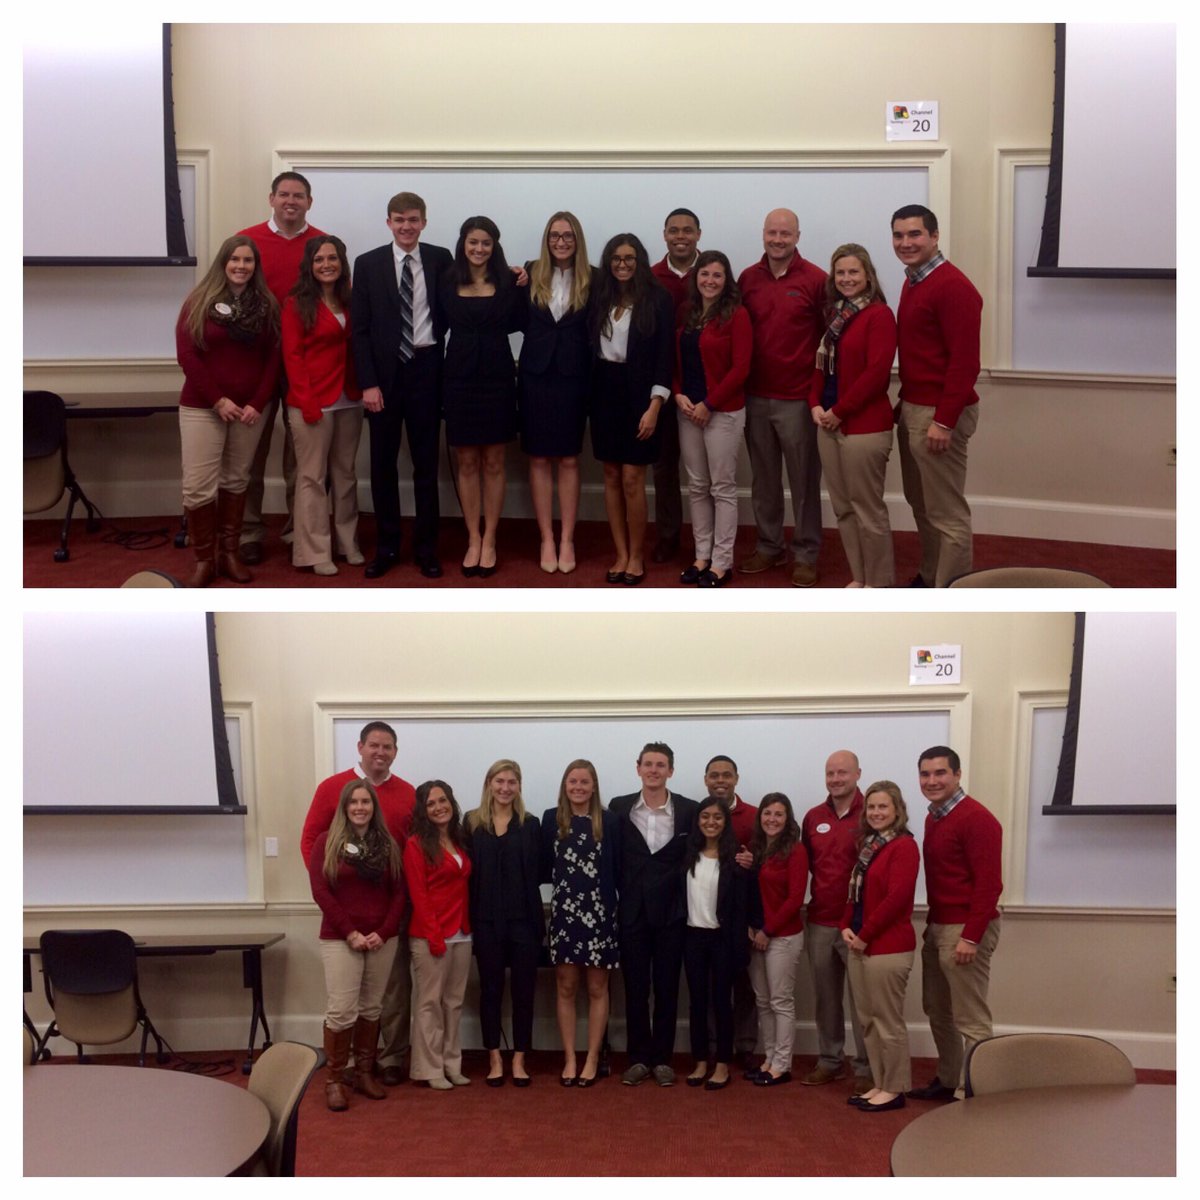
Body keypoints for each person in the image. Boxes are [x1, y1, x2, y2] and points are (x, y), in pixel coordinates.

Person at [299, 721, 417, 1088]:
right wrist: (338, 892)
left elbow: (409, 860)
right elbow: (310, 844)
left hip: (389, 919)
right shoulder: (332, 789)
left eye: (388, 747)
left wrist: (387, 924)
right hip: (342, 921)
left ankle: (388, 1059)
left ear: (395, 751)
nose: (380, 752)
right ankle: (343, 1069)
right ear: (360, 747)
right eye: (374, 745)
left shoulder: (408, 794)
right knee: (344, 1003)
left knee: (389, 995)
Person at [350, 191, 452, 580]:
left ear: (424, 222)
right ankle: (388, 546)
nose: (406, 226)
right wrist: (368, 383)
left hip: (427, 370)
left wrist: (515, 274)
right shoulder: (369, 263)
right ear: (388, 222)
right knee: (382, 466)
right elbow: (359, 331)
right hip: (384, 377)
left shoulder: (442, 259)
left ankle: (427, 549)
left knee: (426, 466)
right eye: (399, 219)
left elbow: (472, 288)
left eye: (413, 219)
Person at [174, 235, 280, 587]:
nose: (241, 266)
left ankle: (229, 554)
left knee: (237, 481)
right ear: (223, 263)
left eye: (248, 261)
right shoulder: (199, 301)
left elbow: (273, 360)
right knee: (198, 488)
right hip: (204, 407)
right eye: (234, 259)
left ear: (255, 267)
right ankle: (205, 560)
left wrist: (257, 404)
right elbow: (188, 355)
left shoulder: (266, 305)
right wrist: (218, 400)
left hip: (249, 411)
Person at [891, 205, 983, 587]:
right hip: (915, 407)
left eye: (915, 234)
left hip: (939, 414)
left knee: (946, 513)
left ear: (935, 236)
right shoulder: (913, 280)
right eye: (899, 235)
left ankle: (953, 590)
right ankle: (930, 577)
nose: (906, 242)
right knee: (923, 506)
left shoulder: (954, 287)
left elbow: (965, 363)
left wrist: (943, 421)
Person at [238, 171, 326, 564]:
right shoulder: (247, 241)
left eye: (299, 196)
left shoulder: (321, 244)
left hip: (303, 365)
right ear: (271, 198)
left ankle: (297, 530)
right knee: (249, 452)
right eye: (284, 195)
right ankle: (248, 532)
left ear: (310, 201)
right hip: (255, 362)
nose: (291, 201)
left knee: (301, 454)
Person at [737, 209, 827, 587]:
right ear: (763, 234)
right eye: (772, 232)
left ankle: (806, 553)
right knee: (765, 479)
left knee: (804, 481)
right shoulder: (747, 278)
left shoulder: (818, 279)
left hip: (798, 399)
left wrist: (819, 396)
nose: (778, 239)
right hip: (755, 396)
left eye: (785, 233)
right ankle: (770, 545)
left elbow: (829, 340)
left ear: (797, 236)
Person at [907, 745, 1003, 1101]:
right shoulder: (935, 817)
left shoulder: (977, 819)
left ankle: (975, 1089)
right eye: (925, 774)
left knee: (971, 1018)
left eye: (940, 773)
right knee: (937, 1008)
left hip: (965, 930)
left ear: (957, 775)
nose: (932, 781)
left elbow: (990, 885)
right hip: (939, 927)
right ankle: (948, 1079)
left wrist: (972, 938)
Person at [307, 778, 405, 1110]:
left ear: (374, 808)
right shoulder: (326, 842)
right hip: (340, 938)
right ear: (344, 808)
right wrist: (350, 932)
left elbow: (399, 893)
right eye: (354, 803)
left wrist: (385, 930)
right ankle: (335, 1079)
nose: (360, 808)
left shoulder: (388, 845)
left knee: (372, 1007)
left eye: (366, 802)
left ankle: (364, 1072)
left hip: (381, 939)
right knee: (341, 1009)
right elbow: (321, 891)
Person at [440, 216, 525, 578]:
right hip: (458, 379)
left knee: (494, 461)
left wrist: (525, 277)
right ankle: (472, 538)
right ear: (463, 243)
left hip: (497, 379)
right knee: (467, 463)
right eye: (473, 242)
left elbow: (526, 321)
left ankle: (490, 538)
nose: (479, 249)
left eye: (486, 243)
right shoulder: (445, 280)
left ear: (495, 246)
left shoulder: (509, 281)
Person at [609, 742, 698, 1086]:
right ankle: (638, 1058)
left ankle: (661, 1058)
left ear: (671, 771)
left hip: (672, 915)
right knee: (634, 988)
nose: (654, 770)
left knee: (666, 989)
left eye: (661, 765)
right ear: (638, 768)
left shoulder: (689, 811)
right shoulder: (618, 808)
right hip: (631, 912)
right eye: (648, 764)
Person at [808, 243, 897, 588]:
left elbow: (876, 375)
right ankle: (860, 580)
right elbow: (820, 368)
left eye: (853, 272)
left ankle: (880, 586)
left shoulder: (879, 315)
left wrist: (839, 412)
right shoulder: (836, 316)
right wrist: (815, 404)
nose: (846, 278)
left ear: (868, 276)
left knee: (868, 511)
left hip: (863, 427)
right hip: (827, 424)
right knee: (844, 509)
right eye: (840, 272)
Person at [588, 234, 676, 585]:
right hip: (604, 392)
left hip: (641, 396)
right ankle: (620, 553)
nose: (622, 264)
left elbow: (664, 357)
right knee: (610, 474)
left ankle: (637, 555)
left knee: (632, 477)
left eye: (629, 258)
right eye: (615, 258)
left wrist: (655, 406)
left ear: (639, 261)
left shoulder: (658, 299)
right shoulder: (599, 297)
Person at [282, 235, 363, 576]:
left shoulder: (351, 300)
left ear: (342, 263)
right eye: (319, 259)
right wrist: (307, 401)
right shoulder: (295, 304)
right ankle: (315, 550)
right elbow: (293, 356)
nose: (326, 264)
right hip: (311, 402)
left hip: (349, 398)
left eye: (332, 258)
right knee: (312, 478)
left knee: (345, 475)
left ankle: (347, 542)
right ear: (309, 266)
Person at [519, 212, 594, 575]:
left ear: (577, 239)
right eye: (554, 236)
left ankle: (567, 538)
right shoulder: (529, 273)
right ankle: (546, 537)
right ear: (547, 239)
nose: (561, 242)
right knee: (537, 459)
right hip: (534, 376)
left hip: (573, 378)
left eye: (567, 236)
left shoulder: (593, 278)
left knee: (567, 459)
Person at [673, 250, 753, 587]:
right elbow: (675, 360)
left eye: (717, 275)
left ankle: (722, 562)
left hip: (723, 412)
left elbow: (741, 368)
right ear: (696, 278)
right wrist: (678, 394)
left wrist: (709, 403)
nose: (709, 281)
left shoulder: (737, 315)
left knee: (722, 488)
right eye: (704, 274)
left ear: (726, 280)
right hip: (688, 410)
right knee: (697, 486)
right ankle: (701, 555)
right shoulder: (686, 312)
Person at [462, 760, 544, 1087]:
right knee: (490, 990)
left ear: (519, 786)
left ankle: (520, 1057)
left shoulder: (531, 824)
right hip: (485, 921)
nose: (505, 788)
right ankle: (494, 1056)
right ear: (489, 784)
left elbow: (539, 872)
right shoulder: (471, 823)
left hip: (524, 921)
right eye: (500, 781)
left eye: (512, 782)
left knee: (525, 991)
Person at [840, 780, 920, 1112]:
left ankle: (895, 1087)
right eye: (871, 807)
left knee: (887, 1021)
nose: (876, 812)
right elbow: (854, 893)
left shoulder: (904, 847)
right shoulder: (870, 845)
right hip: (859, 944)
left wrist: (865, 935)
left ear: (897, 811)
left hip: (887, 947)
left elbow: (895, 899)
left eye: (883, 806)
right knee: (868, 1020)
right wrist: (845, 925)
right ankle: (880, 1081)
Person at [540, 759, 620, 1087]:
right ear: (565, 784)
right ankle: (570, 1057)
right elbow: (543, 865)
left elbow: (619, 868)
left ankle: (592, 1057)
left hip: (600, 914)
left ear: (593, 786)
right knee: (566, 986)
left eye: (584, 782)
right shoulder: (551, 819)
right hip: (565, 914)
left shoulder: (610, 821)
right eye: (572, 781)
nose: (578, 787)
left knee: (598, 987)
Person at [800, 750, 872, 1092]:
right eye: (830, 773)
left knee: (862, 1001)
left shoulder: (872, 813)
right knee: (826, 998)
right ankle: (830, 1061)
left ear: (858, 773)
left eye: (842, 772)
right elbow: (807, 865)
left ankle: (866, 1068)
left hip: (859, 924)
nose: (836, 779)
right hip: (820, 921)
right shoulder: (813, 817)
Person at [682, 795, 755, 1091]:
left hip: (723, 939)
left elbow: (743, 904)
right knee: (697, 1002)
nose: (710, 822)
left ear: (726, 823)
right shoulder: (686, 853)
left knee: (723, 1002)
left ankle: (722, 1063)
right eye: (705, 817)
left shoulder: (737, 858)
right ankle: (701, 1060)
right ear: (697, 821)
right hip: (692, 937)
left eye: (717, 818)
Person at [404, 779, 473, 1090]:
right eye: (431, 803)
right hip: (430, 935)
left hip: (462, 933)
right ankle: (429, 1069)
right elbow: (419, 895)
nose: (438, 807)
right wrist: (434, 936)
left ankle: (451, 1064)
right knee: (429, 1004)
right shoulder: (416, 845)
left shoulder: (459, 839)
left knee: (454, 1003)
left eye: (442, 800)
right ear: (423, 810)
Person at [649, 207, 702, 564]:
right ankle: (668, 537)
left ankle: (707, 540)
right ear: (664, 234)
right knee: (665, 467)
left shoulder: (714, 274)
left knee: (705, 474)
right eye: (673, 230)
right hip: (663, 388)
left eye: (687, 230)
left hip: (705, 390)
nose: (680, 236)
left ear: (698, 234)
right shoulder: (650, 278)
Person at [747, 792, 810, 1086]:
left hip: (782, 937)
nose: (772, 819)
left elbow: (795, 898)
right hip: (756, 936)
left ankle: (782, 1065)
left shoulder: (795, 851)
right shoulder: (757, 849)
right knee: (762, 1001)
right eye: (767, 813)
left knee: (780, 1001)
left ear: (788, 819)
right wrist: (752, 927)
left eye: (779, 814)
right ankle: (768, 1058)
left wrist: (767, 931)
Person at [701, 755, 758, 1066]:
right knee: (712, 988)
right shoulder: (700, 814)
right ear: (706, 780)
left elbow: (768, 861)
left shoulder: (754, 816)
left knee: (744, 986)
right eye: (714, 775)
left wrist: (753, 863)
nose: (720, 780)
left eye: (726, 775)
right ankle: (713, 1046)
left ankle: (745, 1046)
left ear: (736, 778)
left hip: (743, 915)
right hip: (707, 918)